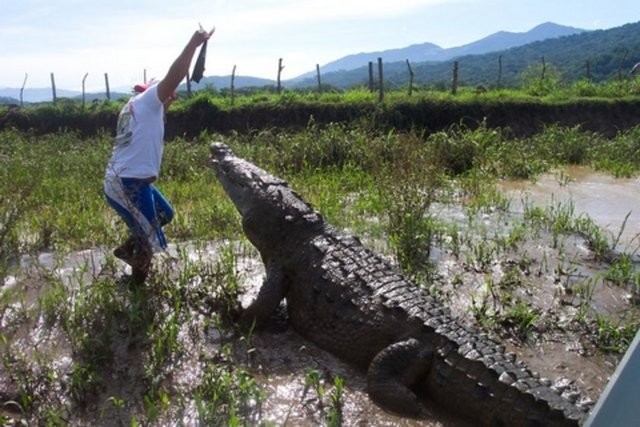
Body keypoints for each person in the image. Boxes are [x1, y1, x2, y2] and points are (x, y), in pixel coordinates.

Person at [103, 26, 214, 283]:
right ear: (153, 92)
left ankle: (129, 250)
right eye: (166, 94)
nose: (170, 97)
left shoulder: (138, 109)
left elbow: (161, 113)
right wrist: (193, 45)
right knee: (150, 240)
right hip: (127, 184)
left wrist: (167, 104)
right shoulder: (147, 101)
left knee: (165, 215)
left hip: (132, 181)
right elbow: (175, 75)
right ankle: (137, 288)